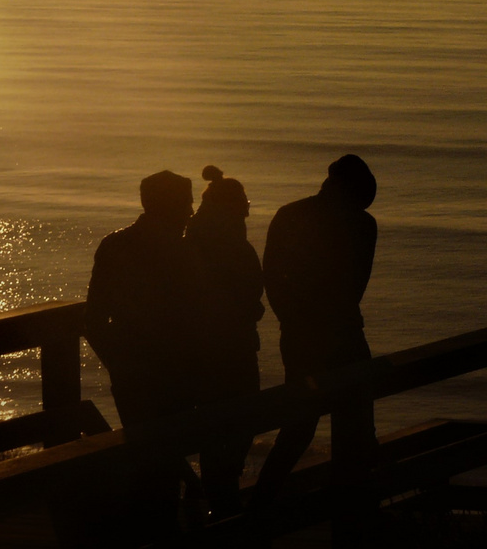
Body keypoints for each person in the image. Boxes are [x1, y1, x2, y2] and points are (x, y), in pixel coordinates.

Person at [249, 154, 379, 518]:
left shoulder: (290, 215)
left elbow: (272, 278)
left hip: (306, 335)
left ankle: (262, 506)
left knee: (301, 425)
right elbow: (355, 286)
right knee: (349, 423)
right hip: (342, 333)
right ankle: (356, 508)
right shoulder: (362, 224)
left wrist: (292, 320)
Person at [82, 169, 199, 543]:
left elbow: (94, 319)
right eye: (186, 203)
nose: (191, 213)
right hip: (170, 370)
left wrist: (118, 360)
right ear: (170, 207)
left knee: (149, 456)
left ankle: (151, 528)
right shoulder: (180, 252)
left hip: (134, 368)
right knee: (161, 459)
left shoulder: (115, 245)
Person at [185, 164, 265, 519]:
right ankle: (221, 499)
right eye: (244, 201)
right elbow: (242, 296)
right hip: (230, 349)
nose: (249, 207)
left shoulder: (197, 239)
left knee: (218, 424)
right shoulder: (229, 244)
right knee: (237, 421)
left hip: (205, 349)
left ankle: (211, 495)